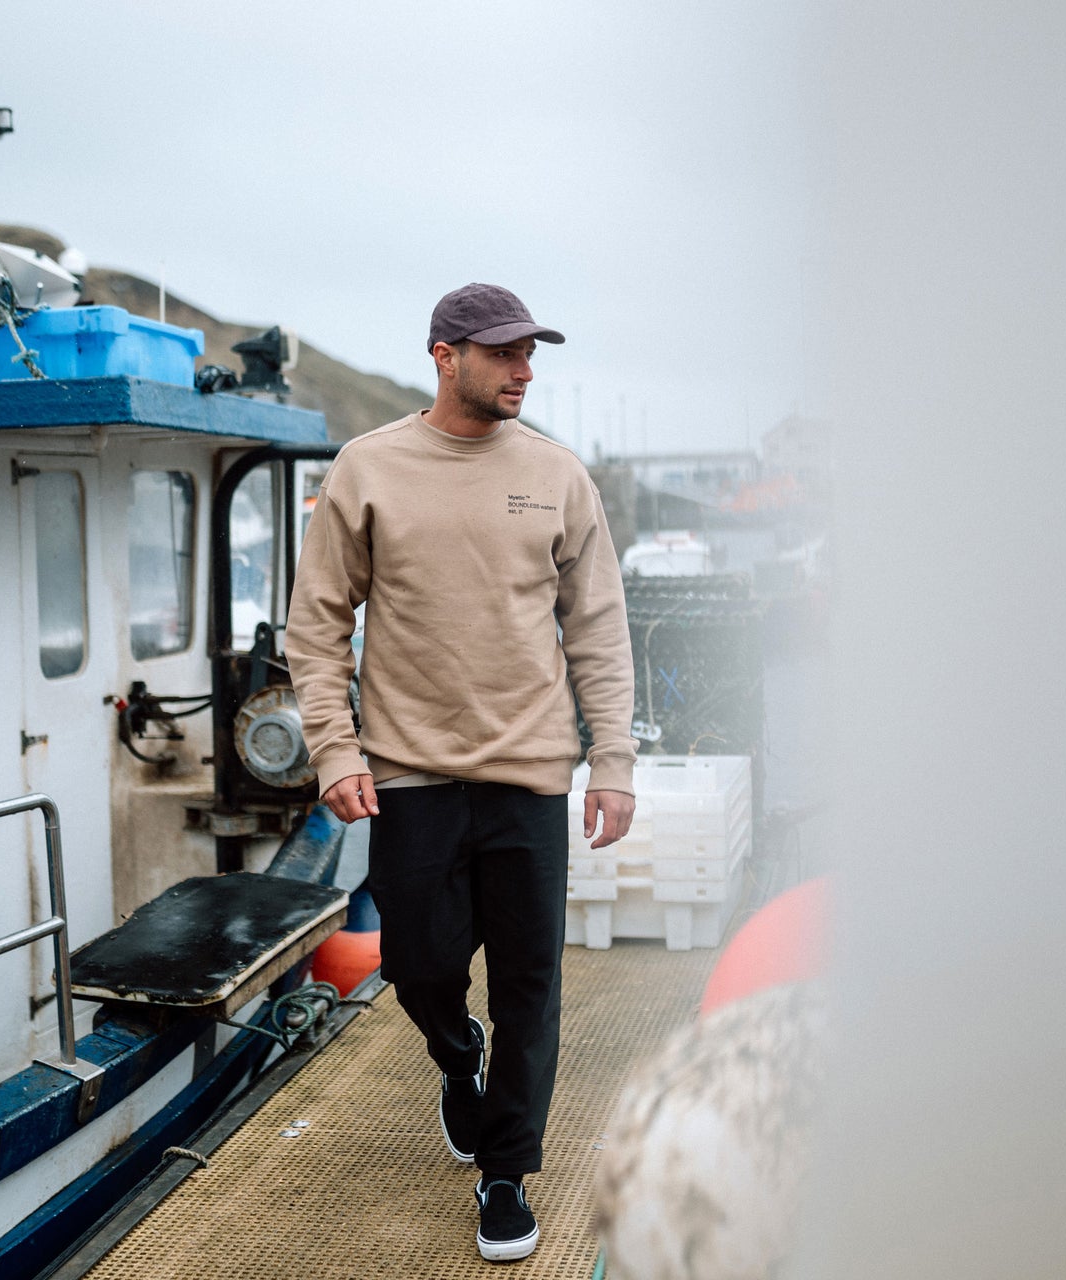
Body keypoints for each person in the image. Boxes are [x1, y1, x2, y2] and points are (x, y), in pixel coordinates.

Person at [285, 283, 638, 1262]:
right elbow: (316, 624)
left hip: (532, 771)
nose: (525, 369)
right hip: (411, 773)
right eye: (504, 353)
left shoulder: (557, 475)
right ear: (446, 356)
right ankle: (456, 1055)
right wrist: (335, 747)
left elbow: (598, 627)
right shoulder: (370, 468)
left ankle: (505, 1171)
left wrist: (613, 760)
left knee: (529, 981)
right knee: (420, 965)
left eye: (530, 353)